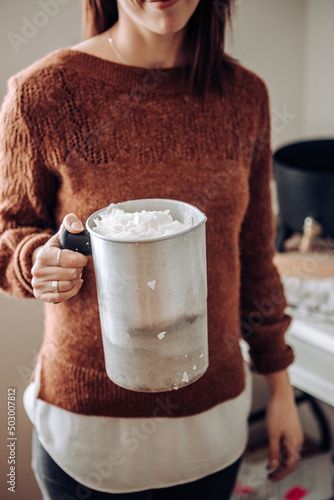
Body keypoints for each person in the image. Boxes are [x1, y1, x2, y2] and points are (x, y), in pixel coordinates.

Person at [0, 0, 304, 498]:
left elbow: (254, 258)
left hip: (213, 430)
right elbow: (8, 233)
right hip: (87, 437)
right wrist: (34, 259)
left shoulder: (244, 96)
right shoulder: (43, 92)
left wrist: (281, 388)